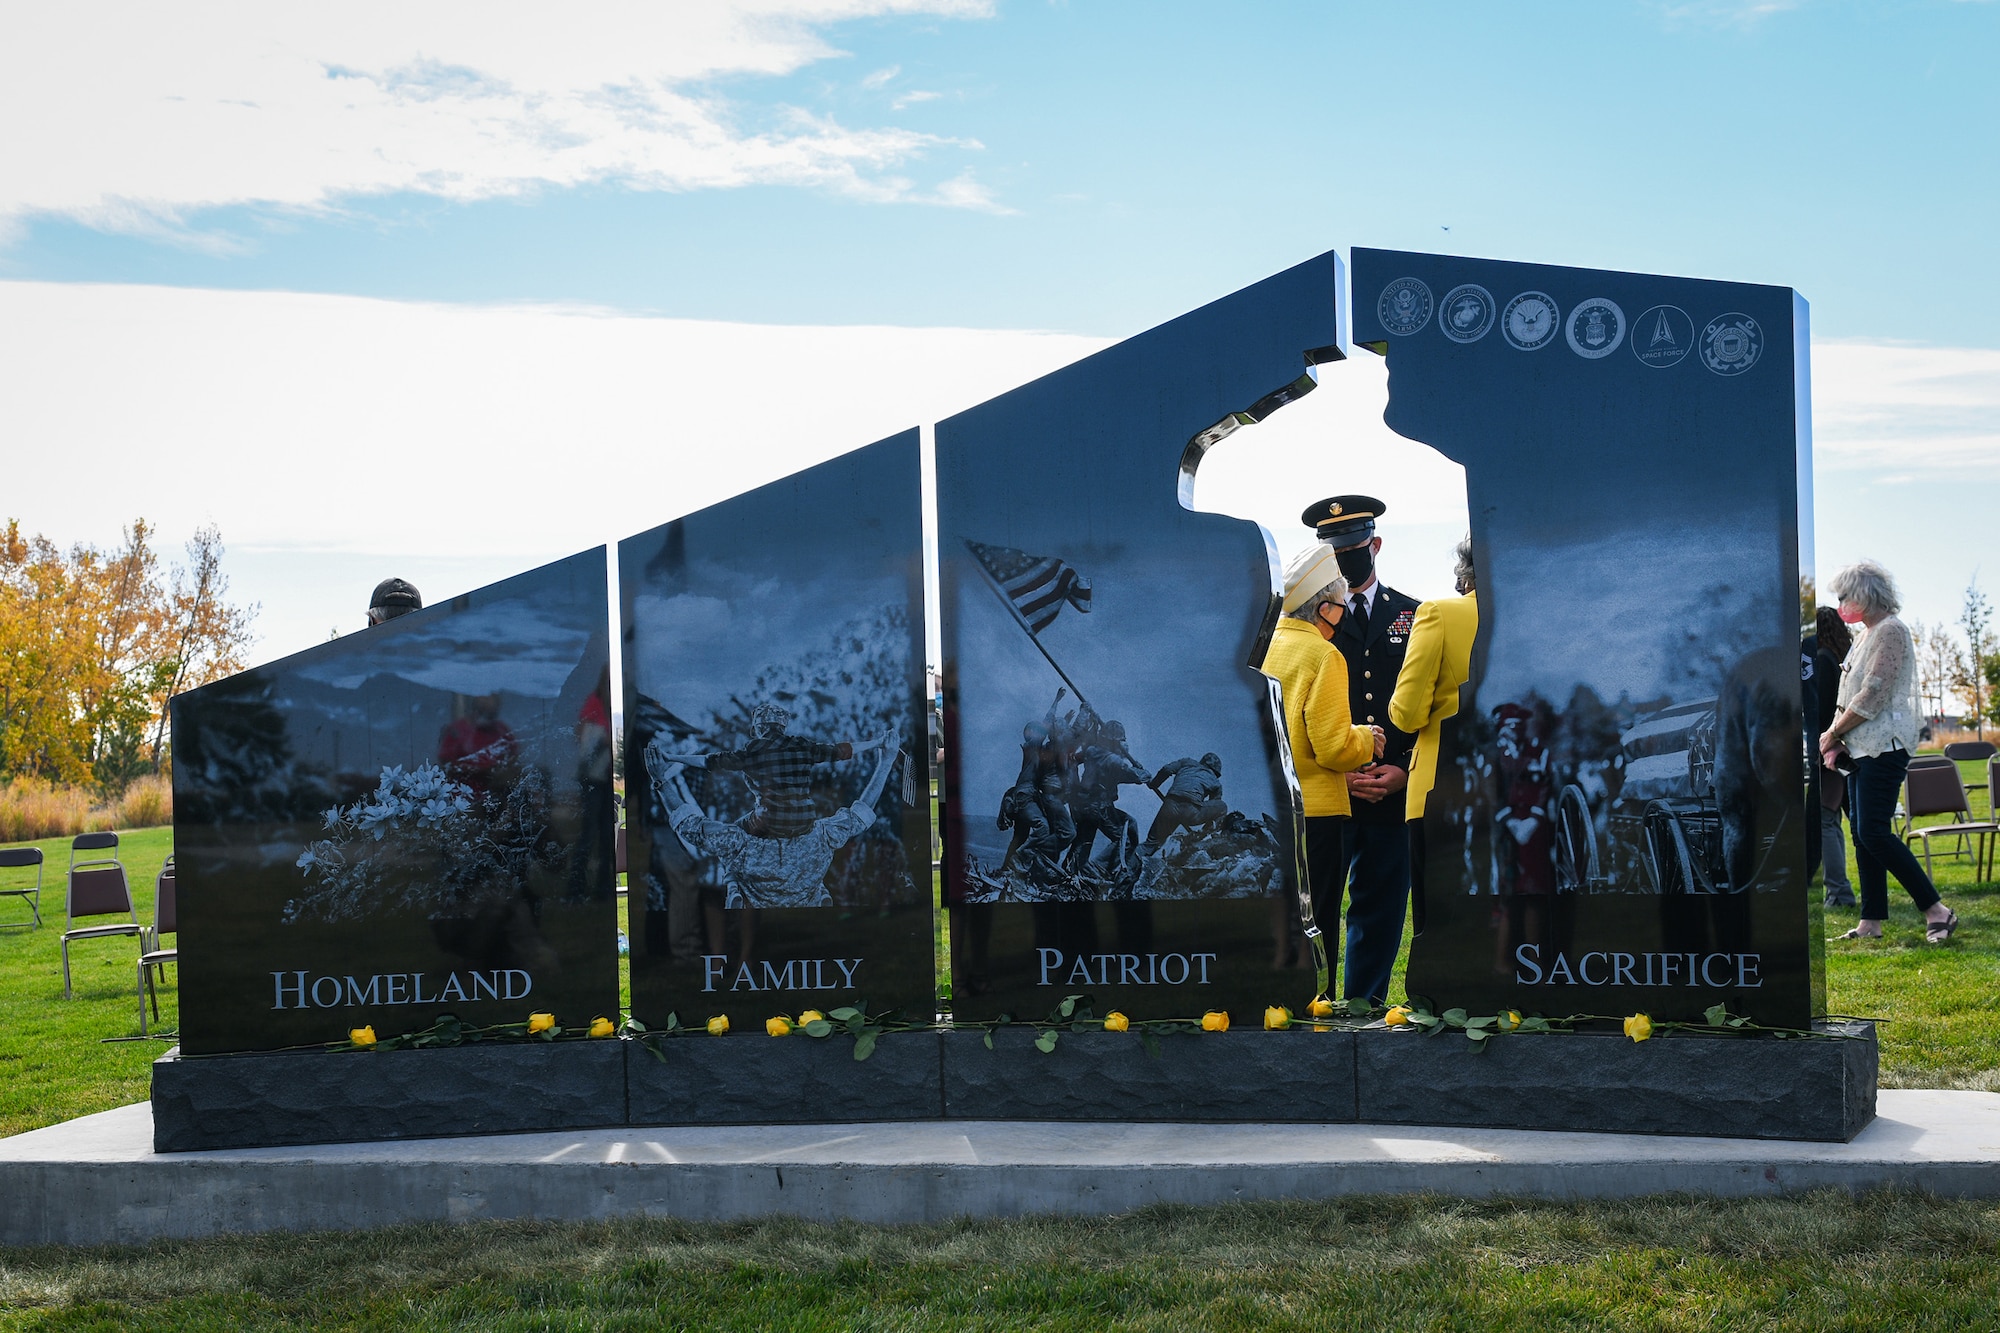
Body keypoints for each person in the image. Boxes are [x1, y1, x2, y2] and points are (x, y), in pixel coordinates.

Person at [1302, 494, 1419, 1003]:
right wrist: (1338, 772)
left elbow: (1433, 707)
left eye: (1353, 547)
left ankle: (1366, 1004)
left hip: (1394, 789)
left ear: (1374, 545)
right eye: (1335, 552)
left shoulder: (1414, 616)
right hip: (1333, 791)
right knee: (1319, 908)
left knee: (1384, 905)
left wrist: (1403, 770)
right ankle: (1318, 1000)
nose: (1346, 559)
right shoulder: (1306, 625)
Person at [1258, 543, 1384, 971]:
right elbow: (1333, 747)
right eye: (1340, 604)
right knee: (1319, 918)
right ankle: (1318, 1005)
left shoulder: (1262, 649)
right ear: (1324, 608)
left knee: (1279, 917)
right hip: (1317, 813)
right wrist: (1367, 740)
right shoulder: (1324, 655)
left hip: (1268, 809)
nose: (1344, 612)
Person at [1821, 561, 1959, 943]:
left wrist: (1831, 732)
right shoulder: (1864, 635)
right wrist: (1836, 739)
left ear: (1864, 594)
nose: (1840, 604)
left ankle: (1938, 911)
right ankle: (1871, 922)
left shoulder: (1891, 630)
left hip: (1885, 746)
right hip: (1859, 748)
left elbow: (1874, 693)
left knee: (1875, 831)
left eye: (1845, 596)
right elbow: (1847, 693)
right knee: (1863, 837)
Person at [652, 737, 898, 909]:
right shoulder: (822, 837)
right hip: (809, 936)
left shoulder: (737, 843)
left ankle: (735, 890)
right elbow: (862, 812)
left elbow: (688, 824)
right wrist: (886, 761)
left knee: (732, 877)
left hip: (754, 937)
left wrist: (660, 780)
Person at [1387, 535, 1480, 932]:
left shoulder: (1438, 613)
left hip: (1440, 788)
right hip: (1519, 789)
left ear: (1464, 574)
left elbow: (1406, 714)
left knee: (1438, 926)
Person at [654, 702, 879, 840]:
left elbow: (708, 761)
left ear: (759, 728)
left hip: (769, 822)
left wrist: (671, 757)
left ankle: (733, 885)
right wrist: (877, 742)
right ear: (782, 726)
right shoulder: (803, 746)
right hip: (804, 822)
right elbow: (842, 750)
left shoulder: (753, 750)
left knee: (733, 834)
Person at [1811, 606, 1856, 908]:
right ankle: (1841, 891)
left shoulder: (1823, 662)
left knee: (1827, 821)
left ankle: (1839, 892)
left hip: (1830, 752)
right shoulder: (1845, 660)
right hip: (1849, 751)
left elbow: (1824, 710)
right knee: (1851, 822)